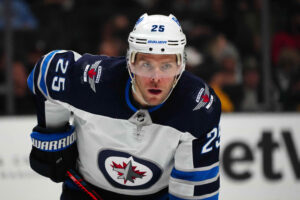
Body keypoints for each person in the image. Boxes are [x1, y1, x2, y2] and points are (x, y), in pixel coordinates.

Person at [27, 13, 221, 200]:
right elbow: (48, 69)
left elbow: (196, 192)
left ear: (181, 66)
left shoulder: (198, 105)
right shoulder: (95, 82)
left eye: (167, 66)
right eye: (146, 65)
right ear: (130, 62)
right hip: (84, 192)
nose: (156, 78)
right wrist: (53, 135)